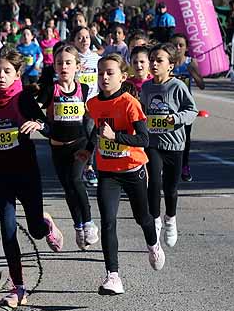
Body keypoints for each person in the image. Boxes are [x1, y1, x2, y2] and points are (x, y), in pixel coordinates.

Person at [0, 47, 63, 309]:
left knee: (35, 230)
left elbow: (49, 127)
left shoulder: (23, 99)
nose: (1, 76)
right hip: (2, 175)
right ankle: (19, 286)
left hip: (26, 172)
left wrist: (38, 125)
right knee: (8, 230)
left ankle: (45, 223)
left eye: (7, 72)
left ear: (17, 74)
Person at [85, 53, 164, 295]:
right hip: (108, 172)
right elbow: (96, 131)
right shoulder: (94, 104)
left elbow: (143, 138)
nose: (104, 78)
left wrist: (115, 137)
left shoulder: (130, 103)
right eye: (100, 74)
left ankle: (153, 244)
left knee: (143, 218)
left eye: (110, 73)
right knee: (108, 222)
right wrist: (87, 151)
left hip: (132, 170)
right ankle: (113, 276)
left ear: (123, 76)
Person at [141, 44, 198, 247]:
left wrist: (176, 118)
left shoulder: (177, 86)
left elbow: (192, 111)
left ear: (170, 65)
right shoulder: (146, 87)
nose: (154, 64)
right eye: (152, 60)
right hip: (152, 143)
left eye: (159, 60)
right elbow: (141, 112)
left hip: (174, 144)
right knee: (154, 183)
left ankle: (170, 219)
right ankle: (155, 220)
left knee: (171, 188)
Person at [42, 43, 97, 249]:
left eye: (68, 63)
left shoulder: (82, 89)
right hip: (58, 148)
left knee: (76, 180)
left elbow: (90, 118)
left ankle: (90, 222)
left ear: (78, 66)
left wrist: (91, 144)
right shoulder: (51, 90)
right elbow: (36, 111)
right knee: (68, 188)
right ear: (54, 67)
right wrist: (42, 125)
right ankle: (79, 226)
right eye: (59, 63)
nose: (63, 66)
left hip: (79, 144)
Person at [171, 33, 205, 182]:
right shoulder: (166, 62)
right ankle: (171, 168)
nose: (178, 48)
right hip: (169, 107)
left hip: (185, 107)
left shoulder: (191, 62)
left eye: (181, 45)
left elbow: (201, 85)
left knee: (185, 140)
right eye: (175, 45)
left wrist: (193, 72)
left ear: (186, 48)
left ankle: (184, 166)